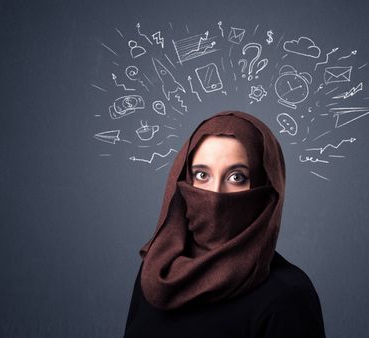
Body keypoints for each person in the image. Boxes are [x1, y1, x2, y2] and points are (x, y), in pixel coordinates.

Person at [123, 111, 325, 338]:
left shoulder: (287, 297)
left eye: (236, 177)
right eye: (201, 175)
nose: (215, 195)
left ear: (265, 191)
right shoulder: (158, 270)